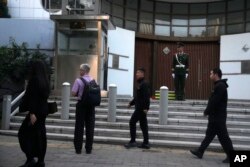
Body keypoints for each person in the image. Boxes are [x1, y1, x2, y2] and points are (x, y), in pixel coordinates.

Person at [190, 68, 234, 163]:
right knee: (209, 135)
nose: (210, 75)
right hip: (215, 116)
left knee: (224, 137)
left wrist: (206, 111)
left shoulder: (220, 86)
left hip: (218, 117)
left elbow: (214, 101)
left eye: (211, 73)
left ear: (216, 74)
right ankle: (200, 151)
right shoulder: (218, 85)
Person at [18, 60, 50, 167]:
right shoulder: (45, 80)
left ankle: (30, 158)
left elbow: (33, 98)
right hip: (43, 111)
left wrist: (32, 113)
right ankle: (40, 161)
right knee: (41, 135)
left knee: (23, 133)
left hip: (35, 112)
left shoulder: (34, 80)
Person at [124, 68, 151, 149]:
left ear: (142, 74)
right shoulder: (140, 83)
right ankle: (146, 143)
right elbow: (137, 97)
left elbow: (147, 97)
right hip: (140, 107)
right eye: (136, 73)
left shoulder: (144, 84)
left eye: (138, 73)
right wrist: (131, 103)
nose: (136, 74)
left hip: (141, 108)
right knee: (143, 125)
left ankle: (133, 141)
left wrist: (146, 108)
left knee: (132, 122)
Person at [72, 63, 95, 154]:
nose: (80, 71)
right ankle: (88, 149)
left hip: (81, 105)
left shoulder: (78, 80)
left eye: (80, 70)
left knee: (79, 127)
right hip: (91, 106)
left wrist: (79, 93)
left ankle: (78, 149)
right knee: (90, 127)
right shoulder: (93, 80)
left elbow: (73, 93)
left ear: (84, 71)